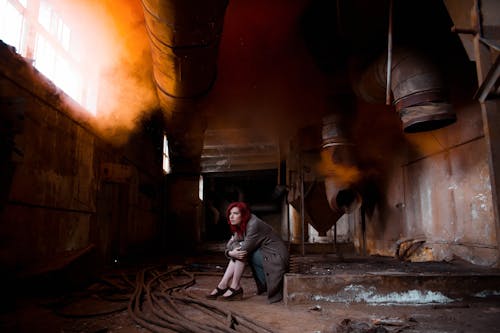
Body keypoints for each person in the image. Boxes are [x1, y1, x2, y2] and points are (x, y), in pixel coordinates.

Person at [206, 201, 289, 303]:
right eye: (230, 214)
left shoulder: (254, 224)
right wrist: (232, 250)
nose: (231, 216)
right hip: (264, 254)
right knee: (239, 250)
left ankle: (234, 286)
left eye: (236, 213)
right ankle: (223, 285)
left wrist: (230, 252)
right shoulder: (241, 224)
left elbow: (242, 248)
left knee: (242, 253)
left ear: (244, 214)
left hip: (276, 257)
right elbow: (230, 244)